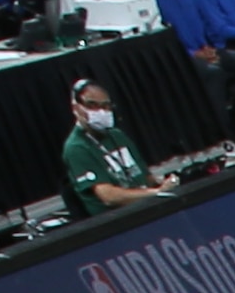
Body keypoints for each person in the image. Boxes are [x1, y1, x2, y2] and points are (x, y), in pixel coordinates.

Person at [63, 75, 169, 218]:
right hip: (118, 220)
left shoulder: (117, 135)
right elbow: (108, 196)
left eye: (106, 106)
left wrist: (164, 182)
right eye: (92, 105)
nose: (101, 111)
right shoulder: (76, 148)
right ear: (76, 107)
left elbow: (146, 176)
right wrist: (155, 194)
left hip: (147, 207)